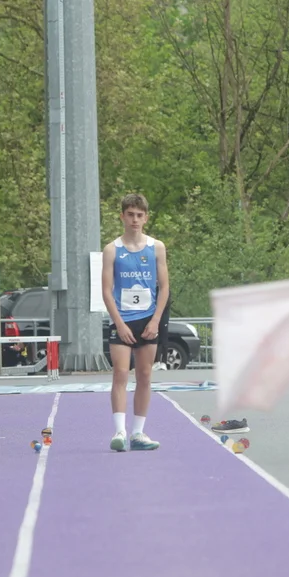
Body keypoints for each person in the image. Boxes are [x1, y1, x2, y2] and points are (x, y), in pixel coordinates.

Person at [100, 193, 169, 452]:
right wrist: (118, 323)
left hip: (148, 320)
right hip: (122, 320)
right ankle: (120, 431)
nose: (135, 220)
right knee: (120, 373)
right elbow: (106, 291)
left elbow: (164, 287)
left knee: (145, 375)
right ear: (122, 216)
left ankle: (138, 433)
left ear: (146, 218)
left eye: (139, 215)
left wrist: (155, 320)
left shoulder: (156, 247)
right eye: (130, 215)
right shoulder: (112, 250)